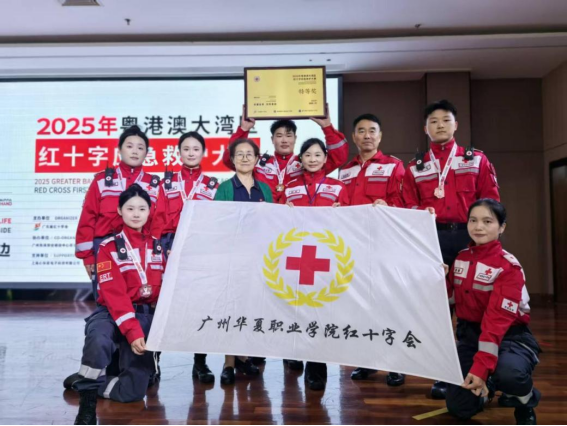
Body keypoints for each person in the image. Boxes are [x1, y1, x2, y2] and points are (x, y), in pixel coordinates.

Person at [402, 100, 500, 399]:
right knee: (438, 309)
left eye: (446, 120)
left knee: (474, 306)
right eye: (433, 121)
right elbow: (407, 205)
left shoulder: (476, 160)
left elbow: (492, 202)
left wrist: (487, 240)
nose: (440, 125)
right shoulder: (415, 167)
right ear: (425, 128)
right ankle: (443, 373)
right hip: (432, 241)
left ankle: (478, 372)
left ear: (456, 125)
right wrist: (421, 212)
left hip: (470, 240)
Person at [66, 125, 161, 390]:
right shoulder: (102, 180)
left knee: (146, 310)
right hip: (105, 252)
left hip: (141, 251)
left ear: (147, 153)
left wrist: (152, 251)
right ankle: (110, 366)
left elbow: (158, 219)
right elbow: (88, 217)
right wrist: (87, 257)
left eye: (141, 147)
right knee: (111, 306)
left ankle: (146, 365)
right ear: (119, 150)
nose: (135, 151)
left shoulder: (153, 183)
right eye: (129, 146)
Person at [73, 184, 166, 426]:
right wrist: (133, 332)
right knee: (98, 338)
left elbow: (165, 289)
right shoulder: (108, 247)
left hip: (144, 316)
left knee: (131, 393)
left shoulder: (158, 247)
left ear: (149, 211)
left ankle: (87, 381)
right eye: (130, 208)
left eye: (142, 209)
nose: (136, 214)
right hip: (112, 314)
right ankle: (87, 405)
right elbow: (115, 296)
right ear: (119, 211)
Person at [445, 199, 540, 426]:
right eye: (473, 220)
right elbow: (450, 299)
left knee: (509, 374)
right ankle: (488, 386)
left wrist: (481, 367)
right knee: (459, 407)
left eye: (487, 221)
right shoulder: (461, 258)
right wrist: (440, 280)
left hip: (508, 337)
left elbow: (496, 322)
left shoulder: (508, 267)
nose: (478, 227)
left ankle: (525, 402)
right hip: (470, 337)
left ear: (502, 227)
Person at [338, 113, 406, 386]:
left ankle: (396, 364)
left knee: (388, 303)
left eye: (372, 130)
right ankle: (367, 360)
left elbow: (403, 200)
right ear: (354, 137)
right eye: (361, 131)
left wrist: (388, 205)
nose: (367, 135)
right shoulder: (345, 170)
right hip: (353, 246)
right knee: (360, 304)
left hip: (384, 244)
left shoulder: (394, 166)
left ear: (380, 136)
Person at [281, 138, 350, 391]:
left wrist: (342, 213)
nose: (312, 159)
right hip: (294, 255)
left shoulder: (338, 187)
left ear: (325, 158)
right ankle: (294, 353)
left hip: (325, 256)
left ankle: (316, 367)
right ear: (300, 159)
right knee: (295, 307)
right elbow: (276, 223)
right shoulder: (289, 188)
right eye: (308, 155)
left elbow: (349, 222)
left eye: (317, 154)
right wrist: (282, 211)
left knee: (319, 310)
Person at [151, 131, 218, 384]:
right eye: (186, 149)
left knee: (200, 303)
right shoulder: (166, 183)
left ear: (203, 153)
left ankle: (200, 363)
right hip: (168, 245)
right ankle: (153, 361)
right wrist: (159, 249)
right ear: (178, 152)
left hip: (200, 246)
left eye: (196, 149)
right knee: (161, 304)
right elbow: (157, 218)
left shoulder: (212, 185)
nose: (191, 153)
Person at [214, 138, 273, 385]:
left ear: (257, 159)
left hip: (258, 257)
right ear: (232, 159)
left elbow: (272, 222)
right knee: (232, 307)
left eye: (250, 154)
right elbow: (217, 223)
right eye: (240, 154)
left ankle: (244, 356)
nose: (245, 158)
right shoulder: (224, 188)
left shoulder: (265, 190)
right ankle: (229, 362)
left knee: (252, 306)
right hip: (232, 256)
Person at [222, 106, 349, 200]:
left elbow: (339, 157)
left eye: (288, 136)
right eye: (279, 136)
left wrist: (327, 127)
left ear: (295, 138)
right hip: (264, 218)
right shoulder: (259, 163)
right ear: (272, 139)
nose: (284, 140)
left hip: (294, 220)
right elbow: (229, 159)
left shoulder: (306, 162)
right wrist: (243, 129)